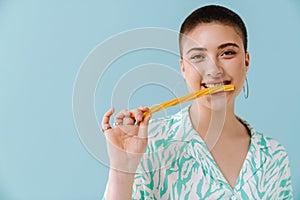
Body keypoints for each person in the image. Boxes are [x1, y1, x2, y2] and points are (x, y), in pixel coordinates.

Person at [101, 5, 293, 199]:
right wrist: (121, 170)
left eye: (227, 53)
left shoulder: (273, 155)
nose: (213, 70)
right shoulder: (149, 143)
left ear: (246, 61)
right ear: (183, 68)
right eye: (198, 56)